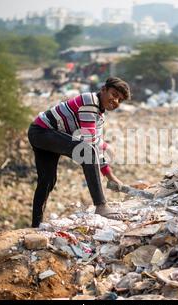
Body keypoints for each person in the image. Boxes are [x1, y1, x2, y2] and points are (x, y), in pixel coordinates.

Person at [28, 77, 131, 228]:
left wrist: (110, 176)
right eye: (114, 94)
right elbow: (90, 145)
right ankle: (101, 205)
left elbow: (95, 145)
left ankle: (36, 226)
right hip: (42, 132)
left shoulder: (99, 117)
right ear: (103, 90)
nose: (115, 101)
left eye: (120, 100)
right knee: (87, 152)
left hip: (48, 134)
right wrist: (105, 150)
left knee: (47, 181)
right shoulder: (89, 101)